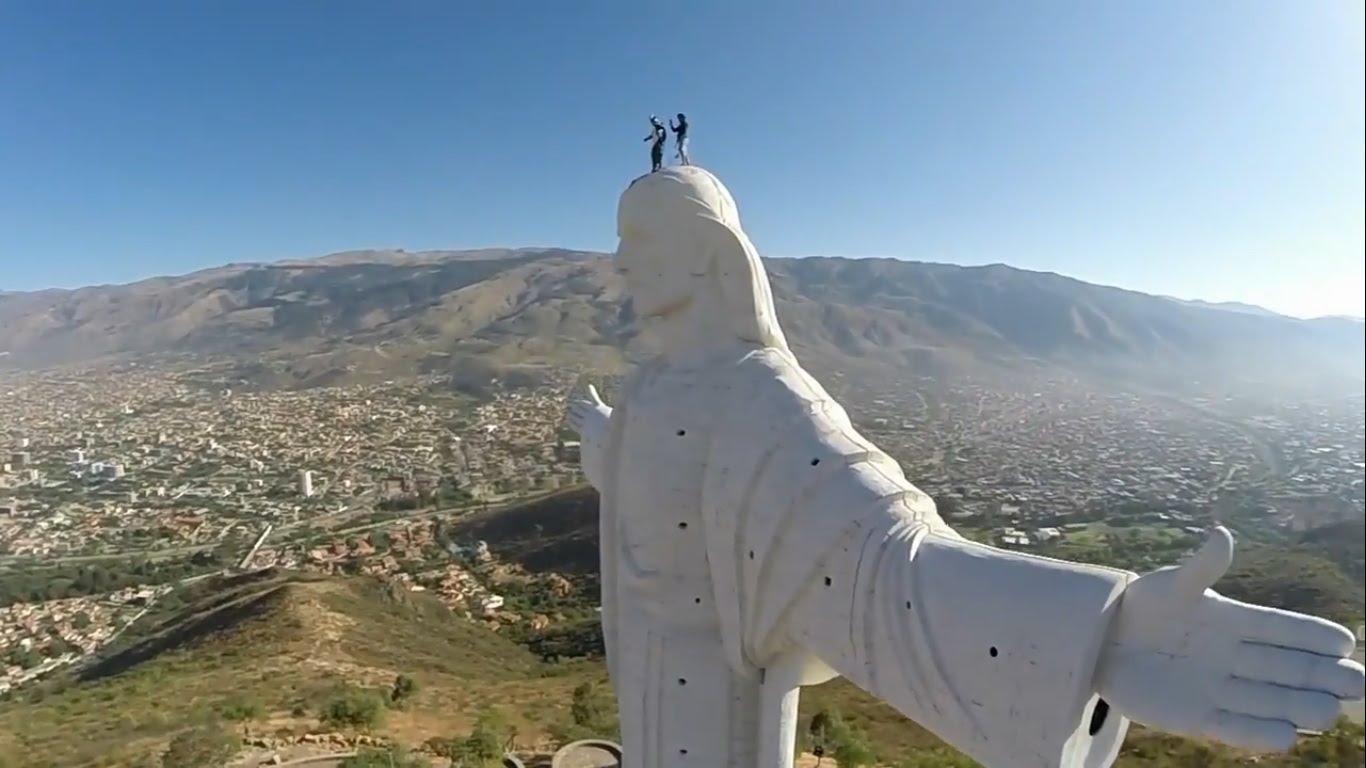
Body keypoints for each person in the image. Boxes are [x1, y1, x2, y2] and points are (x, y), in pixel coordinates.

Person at [568, 165, 1365, 768]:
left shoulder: (765, 394)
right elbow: (670, 515)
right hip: (647, 689)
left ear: (706, 255)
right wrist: (617, 451)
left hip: (726, 717)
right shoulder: (648, 392)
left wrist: (1096, 632)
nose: (619, 261)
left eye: (638, 240)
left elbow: (877, 553)